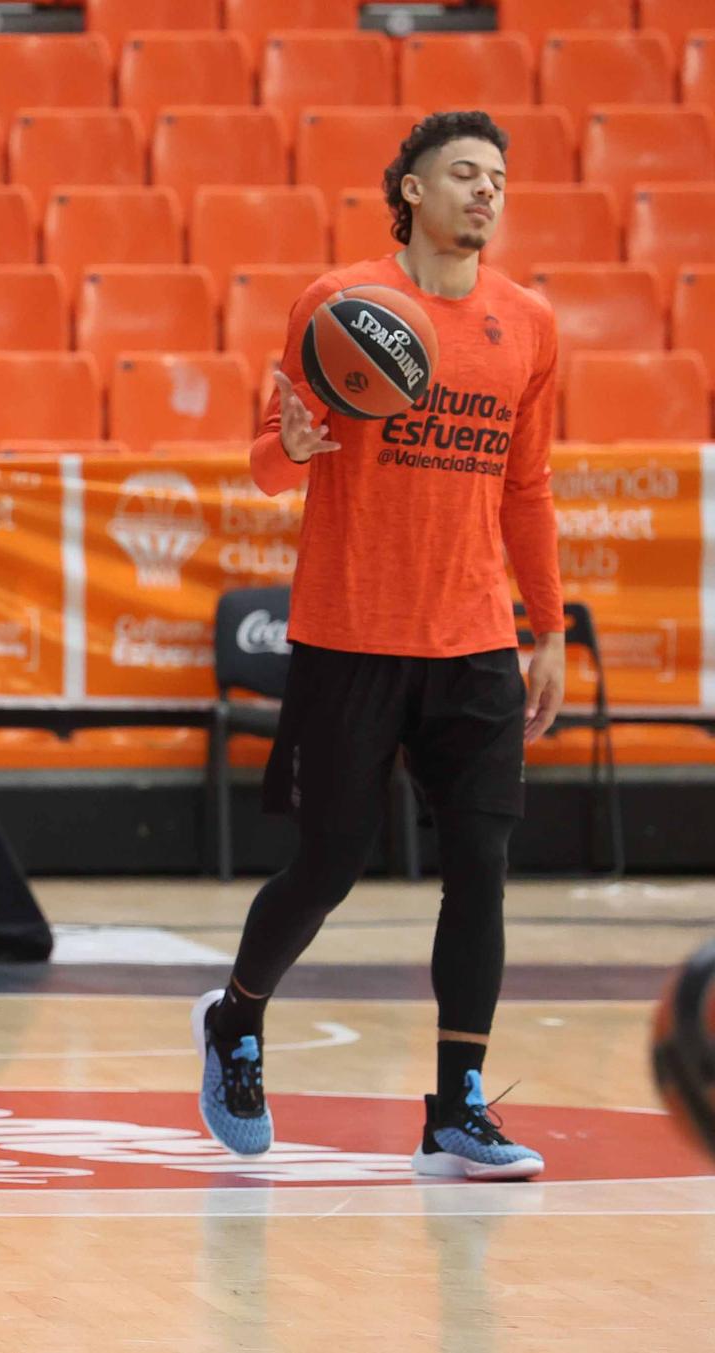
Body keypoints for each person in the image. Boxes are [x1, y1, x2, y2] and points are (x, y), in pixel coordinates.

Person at [194, 111, 564, 1180]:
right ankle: (235, 1019)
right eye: (460, 173)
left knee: (479, 872)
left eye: (496, 177)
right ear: (406, 189)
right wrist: (294, 443)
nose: (484, 192)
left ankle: (455, 1104)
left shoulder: (526, 324)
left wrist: (542, 629)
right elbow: (267, 460)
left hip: (472, 641)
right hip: (349, 634)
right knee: (326, 863)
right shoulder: (339, 306)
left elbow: (526, 489)